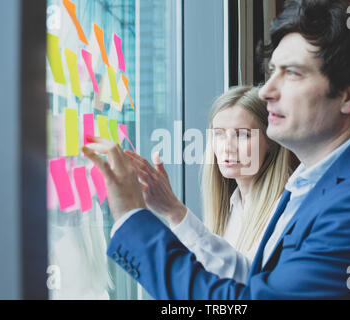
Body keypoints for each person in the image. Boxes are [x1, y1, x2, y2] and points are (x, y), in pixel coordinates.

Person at [83, 0, 350, 299]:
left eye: (292, 74)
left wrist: (131, 217)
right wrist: (171, 211)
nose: (266, 91)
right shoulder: (314, 182)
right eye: (271, 72)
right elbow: (253, 278)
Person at [122, 86, 290, 283]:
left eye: (242, 134)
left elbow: (249, 285)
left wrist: (174, 211)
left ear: (270, 142)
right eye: (219, 134)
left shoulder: (285, 209)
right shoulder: (233, 205)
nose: (227, 147)